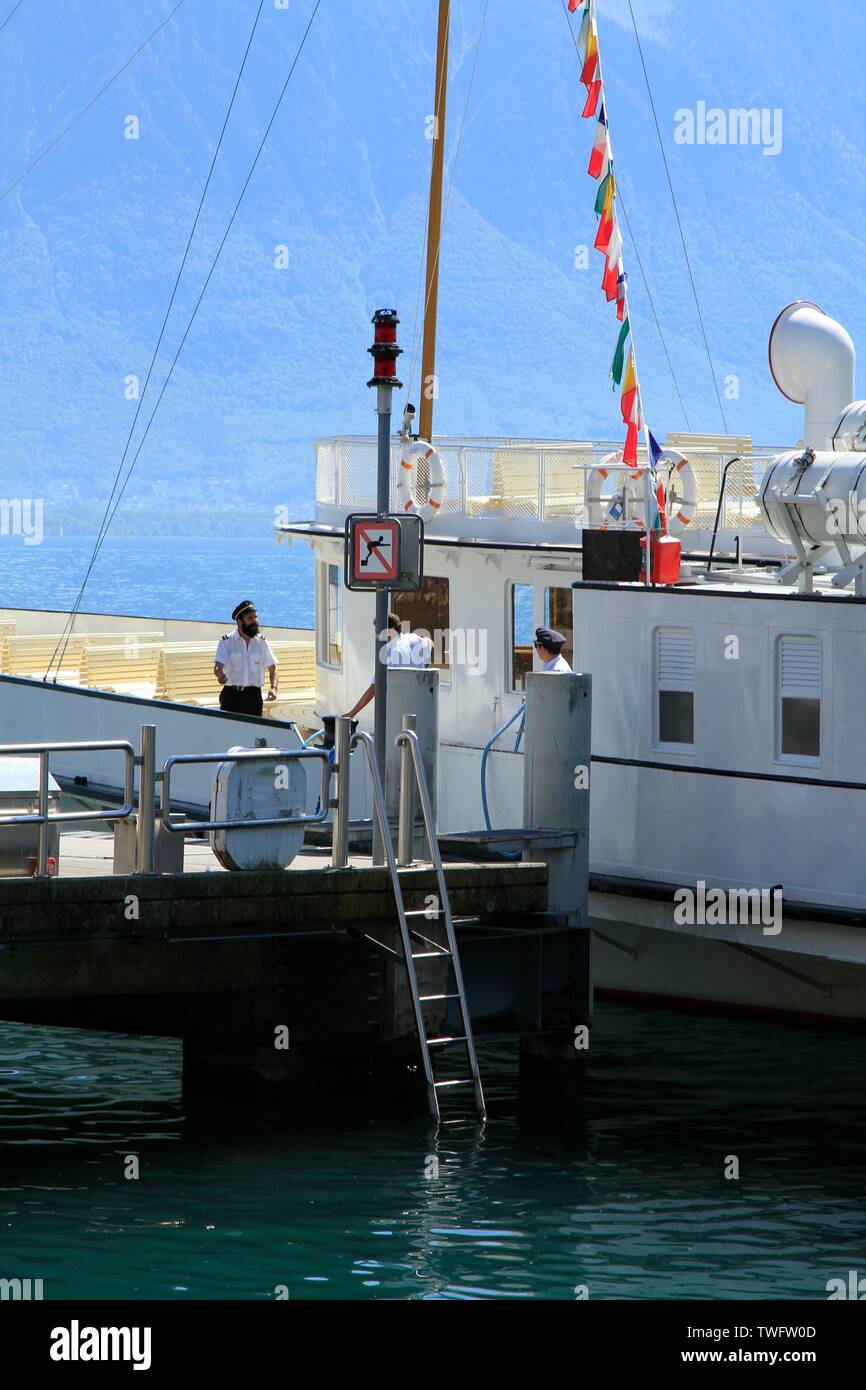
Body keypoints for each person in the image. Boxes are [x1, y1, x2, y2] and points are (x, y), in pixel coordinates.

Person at [343, 612, 432, 719]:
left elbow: (374, 689)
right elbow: (430, 643)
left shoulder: (389, 655)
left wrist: (352, 713)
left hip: (399, 712)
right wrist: (425, 666)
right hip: (421, 707)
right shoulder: (413, 639)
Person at [213, 600, 278, 716]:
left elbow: (273, 669)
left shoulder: (261, 642)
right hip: (231, 696)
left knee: (253, 733)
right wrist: (220, 675)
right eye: (250, 618)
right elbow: (218, 666)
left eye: (255, 617)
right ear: (239, 621)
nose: (255, 621)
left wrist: (273, 688)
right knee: (229, 733)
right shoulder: (227, 642)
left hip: (253, 698)